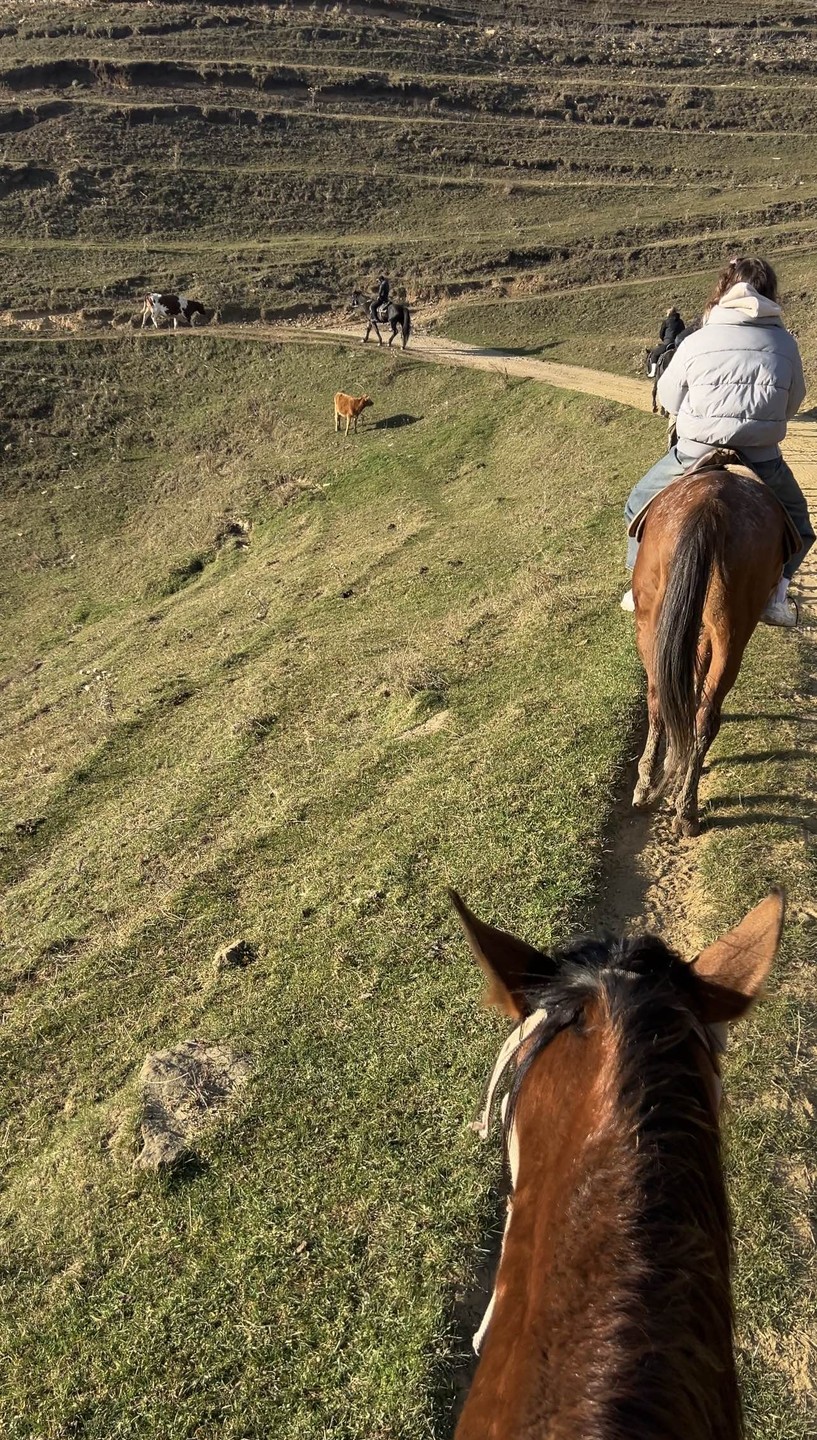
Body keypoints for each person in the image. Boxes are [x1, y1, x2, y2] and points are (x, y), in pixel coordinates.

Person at [623, 256, 814, 628]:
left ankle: (637, 585)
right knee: (800, 526)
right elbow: (794, 402)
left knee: (635, 504)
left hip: (695, 450)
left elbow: (668, 396)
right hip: (760, 457)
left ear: (723, 291)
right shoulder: (785, 344)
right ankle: (775, 600)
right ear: (771, 294)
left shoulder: (697, 339)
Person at [646, 306, 685, 375]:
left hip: (668, 342)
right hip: (678, 344)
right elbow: (683, 332)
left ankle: (653, 372)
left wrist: (664, 340)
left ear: (669, 313)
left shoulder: (666, 321)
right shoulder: (681, 322)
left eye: (667, 312)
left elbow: (661, 334)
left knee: (654, 354)